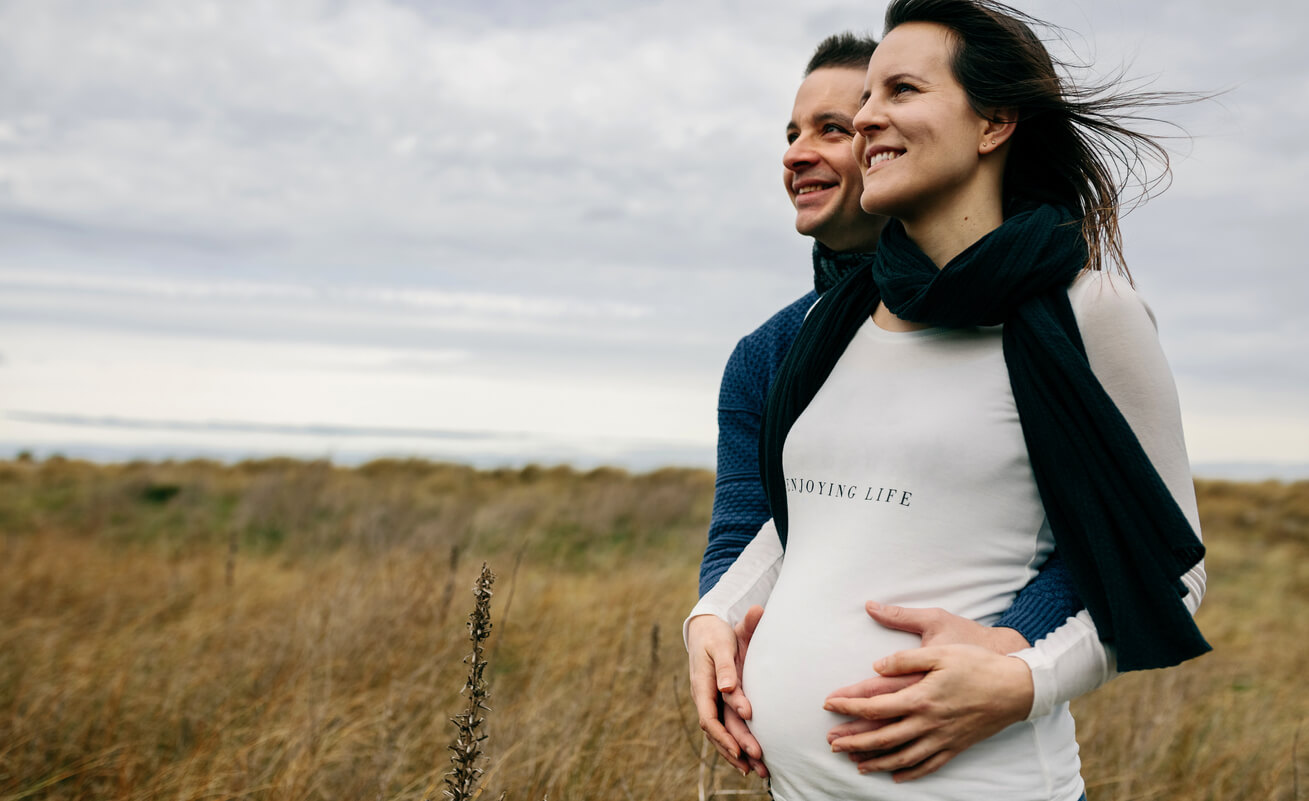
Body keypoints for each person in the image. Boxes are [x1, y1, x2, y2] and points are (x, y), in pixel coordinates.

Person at [688, 0, 1211, 798]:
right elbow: (803, 522)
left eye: (899, 91)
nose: (866, 119)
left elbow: (1169, 570)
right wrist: (713, 616)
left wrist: (1022, 677)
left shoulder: (1087, 312)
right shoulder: (832, 322)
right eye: (864, 99)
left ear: (994, 122)